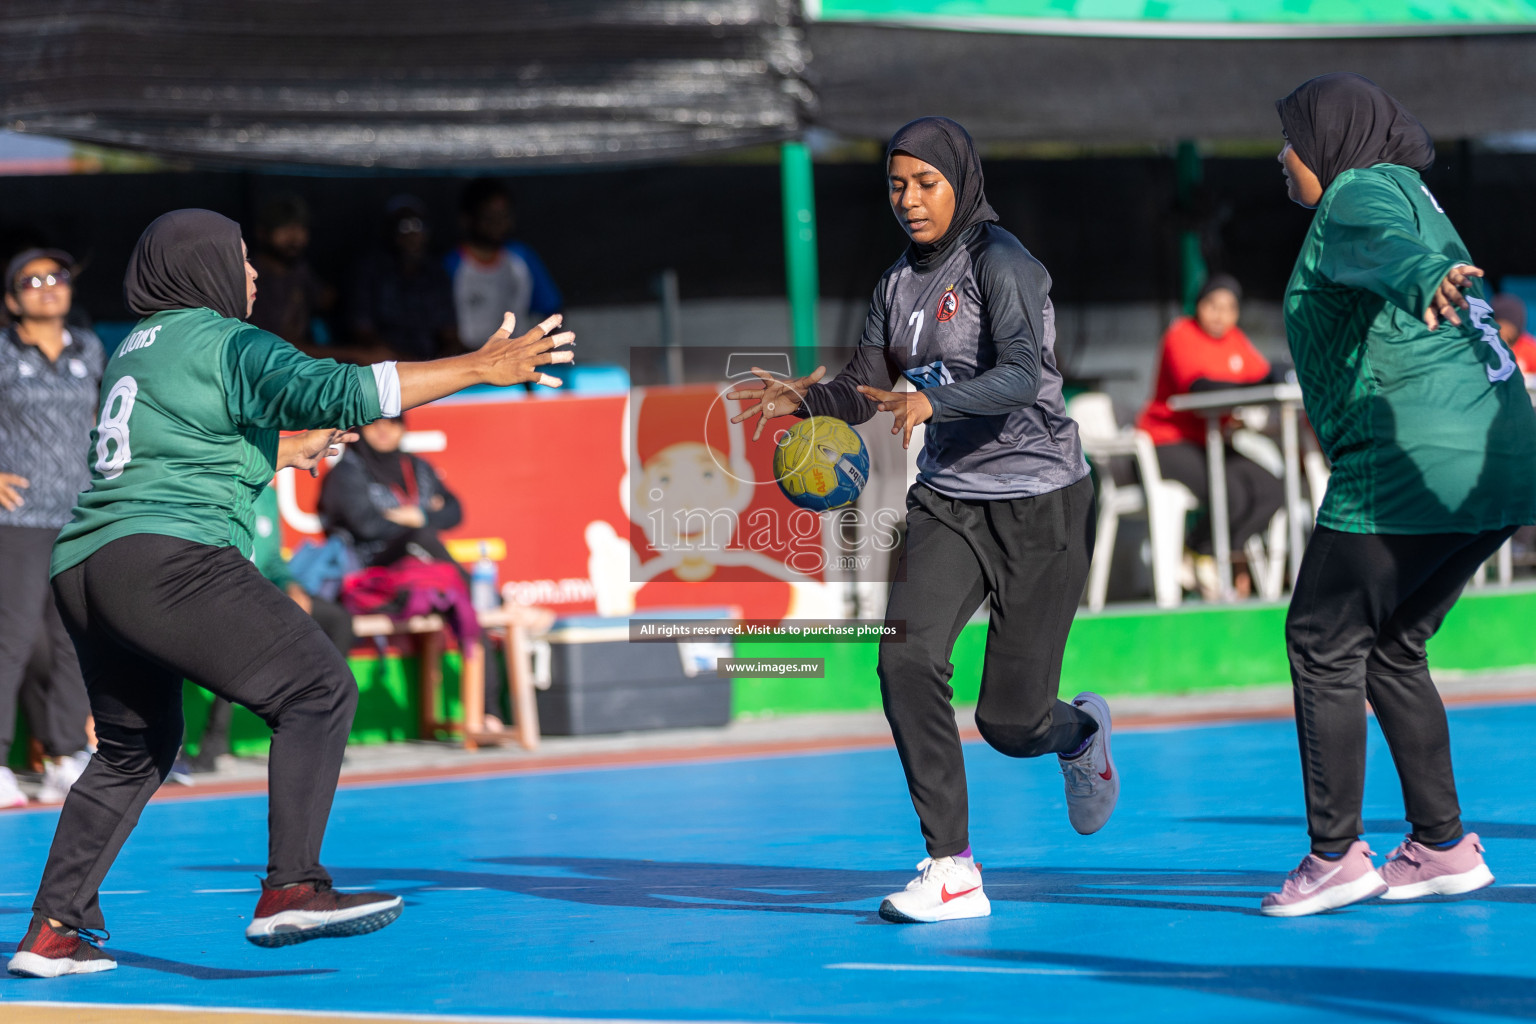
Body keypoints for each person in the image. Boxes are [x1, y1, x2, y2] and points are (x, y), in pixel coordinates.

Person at [7, 208, 573, 977]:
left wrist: (275, 449)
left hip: (88, 563)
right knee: (316, 688)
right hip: (167, 556)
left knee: (134, 751)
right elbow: (345, 389)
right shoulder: (222, 338)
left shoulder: (133, 349)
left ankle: (52, 931)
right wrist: (480, 368)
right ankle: (292, 888)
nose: (252, 274)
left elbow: (175, 451)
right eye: (239, 259)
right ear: (202, 268)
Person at [728, 117, 1116, 924]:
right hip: (948, 499)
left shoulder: (1004, 265)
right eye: (896, 186)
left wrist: (934, 398)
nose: (909, 200)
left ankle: (1077, 734)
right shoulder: (896, 284)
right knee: (904, 662)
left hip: (1042, 502)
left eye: (925, 183)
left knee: (1012, 723)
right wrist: (808, 400)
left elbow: (1021, 375)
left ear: (960, 182)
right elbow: (869, 382)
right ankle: (953, 867)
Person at [1260, 74, 1536, 917]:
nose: (1281, 155)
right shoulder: (1414, 191)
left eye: (1291, 137)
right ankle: (1443, 845)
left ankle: (1336, 857)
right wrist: (1430, 269)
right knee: (1393, 644)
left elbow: (1384, 247)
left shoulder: (1358, 191)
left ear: (1332, 139)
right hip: (1501, 461)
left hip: (1415, 455)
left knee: (1321, 638)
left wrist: (1423, 277)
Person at [317, 415, 500, 732]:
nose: (385, 430)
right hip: (370, 579)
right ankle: (488, 597)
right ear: (359, 429)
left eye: (393, 422)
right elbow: (365, 525)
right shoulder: (346, 472)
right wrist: (418, 523)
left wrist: (418, 514)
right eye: (374, 423)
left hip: (418, 577)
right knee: (426, 544)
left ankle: (491, 711)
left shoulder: (415, 467)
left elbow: (455, 510)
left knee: (467, 611)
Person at [0, 249, 104, 809]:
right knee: (10, 640)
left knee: (71, 640)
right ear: (13, 298)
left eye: (57, 277)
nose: (47, 287)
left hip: (78, 514)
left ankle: (66, 755)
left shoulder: (90, 348)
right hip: (14, 519)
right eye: (31, 281)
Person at [190, 482, 356, 774]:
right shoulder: (212, 489)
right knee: (235, 634)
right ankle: (213, 744)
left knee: (337, 620)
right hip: (223, 593)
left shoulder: (267, 497)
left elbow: (275, 562)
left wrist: (292, 586)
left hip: (265, 592)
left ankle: (324, 734)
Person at [1136, 273, 1286, 585]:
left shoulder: (1235, 340)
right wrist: (1262, 380)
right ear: (1199, 306)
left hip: (1211, 440)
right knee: (1232, 495)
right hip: (1168, 441)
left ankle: (1202, 550)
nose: (1220, 315)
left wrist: (1270, 376)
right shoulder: (1181, 334)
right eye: (1212, 305)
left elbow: (1267, 374)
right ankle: (1206, 555)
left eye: (1229, 307)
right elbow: (1200, 387)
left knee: (1272, 490)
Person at [447, 178, 563, 352]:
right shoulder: (450, 265)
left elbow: (553, 312)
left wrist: (537, 351)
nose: (498, 224)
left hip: (517, 361)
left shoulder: (521, 258)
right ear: (467, 219)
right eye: (490, 217)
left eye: (504, 216)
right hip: (467, 364)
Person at [348, 196, 460, 362]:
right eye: (403, 227)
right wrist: (402, 362)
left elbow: (449, 333)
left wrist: (441, 362)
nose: (412, 235)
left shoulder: (436, 273)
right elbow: (363, 332)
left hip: (430, 364)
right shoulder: (370, 271)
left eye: (418, 226)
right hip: (385, 365)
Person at [247, 194, 334, 352]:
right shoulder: (252, 276)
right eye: (285, 228)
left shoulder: (299, 269)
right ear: (262, 232)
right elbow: (272, 346)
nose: (295, 237)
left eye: (301, 228)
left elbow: (324, 301)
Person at [1492, 293, 1536, 375]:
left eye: (1509, 327)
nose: (1504, 331)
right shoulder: (1486, 347)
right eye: (1501, 325)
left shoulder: (1529, 348)